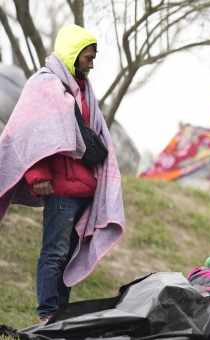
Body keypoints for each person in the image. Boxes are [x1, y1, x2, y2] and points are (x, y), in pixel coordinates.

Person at [0, 24, 125, 323]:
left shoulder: (84, 90)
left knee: (68, 256)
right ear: (73, 53)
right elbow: (31, 134)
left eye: (94, 57)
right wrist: (37, 176)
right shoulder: (44, 85)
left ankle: (62, 317)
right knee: (54, 252)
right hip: (59, 189)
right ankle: (47, 315)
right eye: (88, 56)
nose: (92, 62)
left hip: (84, 188)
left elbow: (94, 135)